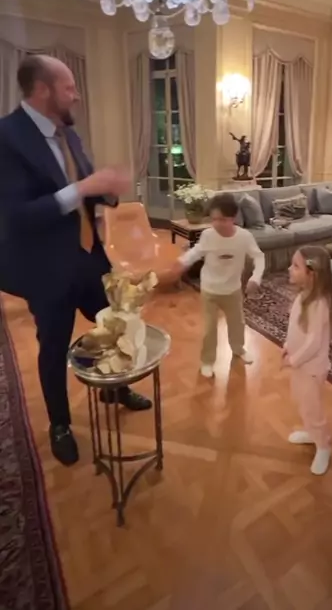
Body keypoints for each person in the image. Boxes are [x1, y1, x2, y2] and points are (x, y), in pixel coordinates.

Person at [0, 55, 151, 467]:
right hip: (45, 269)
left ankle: (114, 389)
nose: (76, 95)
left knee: (116, 325)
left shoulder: (69, 134)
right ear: (42, 90)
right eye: (69, 87)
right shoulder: (7, 137)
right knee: (53, 347)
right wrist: (84, 187)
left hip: (89, 259)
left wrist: (109, 189)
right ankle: (60, 425)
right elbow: (17, 216)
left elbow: (87, 188)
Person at [160, 192, 264, 378]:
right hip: (210, 290)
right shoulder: (208, 235)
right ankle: (207, 361)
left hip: (233, 290)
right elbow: (196, 252)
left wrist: (256, 277)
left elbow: (259, 256)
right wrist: (182, 262)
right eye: (214, 219)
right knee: (209, 330)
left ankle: (238, 349)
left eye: (222, 219)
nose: (217, 224)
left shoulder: (244, 237)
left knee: (237, 323)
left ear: (233, 218)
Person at [282, 245, 332, 476]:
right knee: (303, 403)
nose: (289, 269)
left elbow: (314, 343)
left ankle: (323, 445)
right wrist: (287, 346)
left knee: (313, 409)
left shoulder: (319, 304)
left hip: (311, 369)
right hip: (301, 365)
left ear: (311, 274)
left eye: (296, 266)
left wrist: (294, 360)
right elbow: (296, 328)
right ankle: (311, 432)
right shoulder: (303, 296)